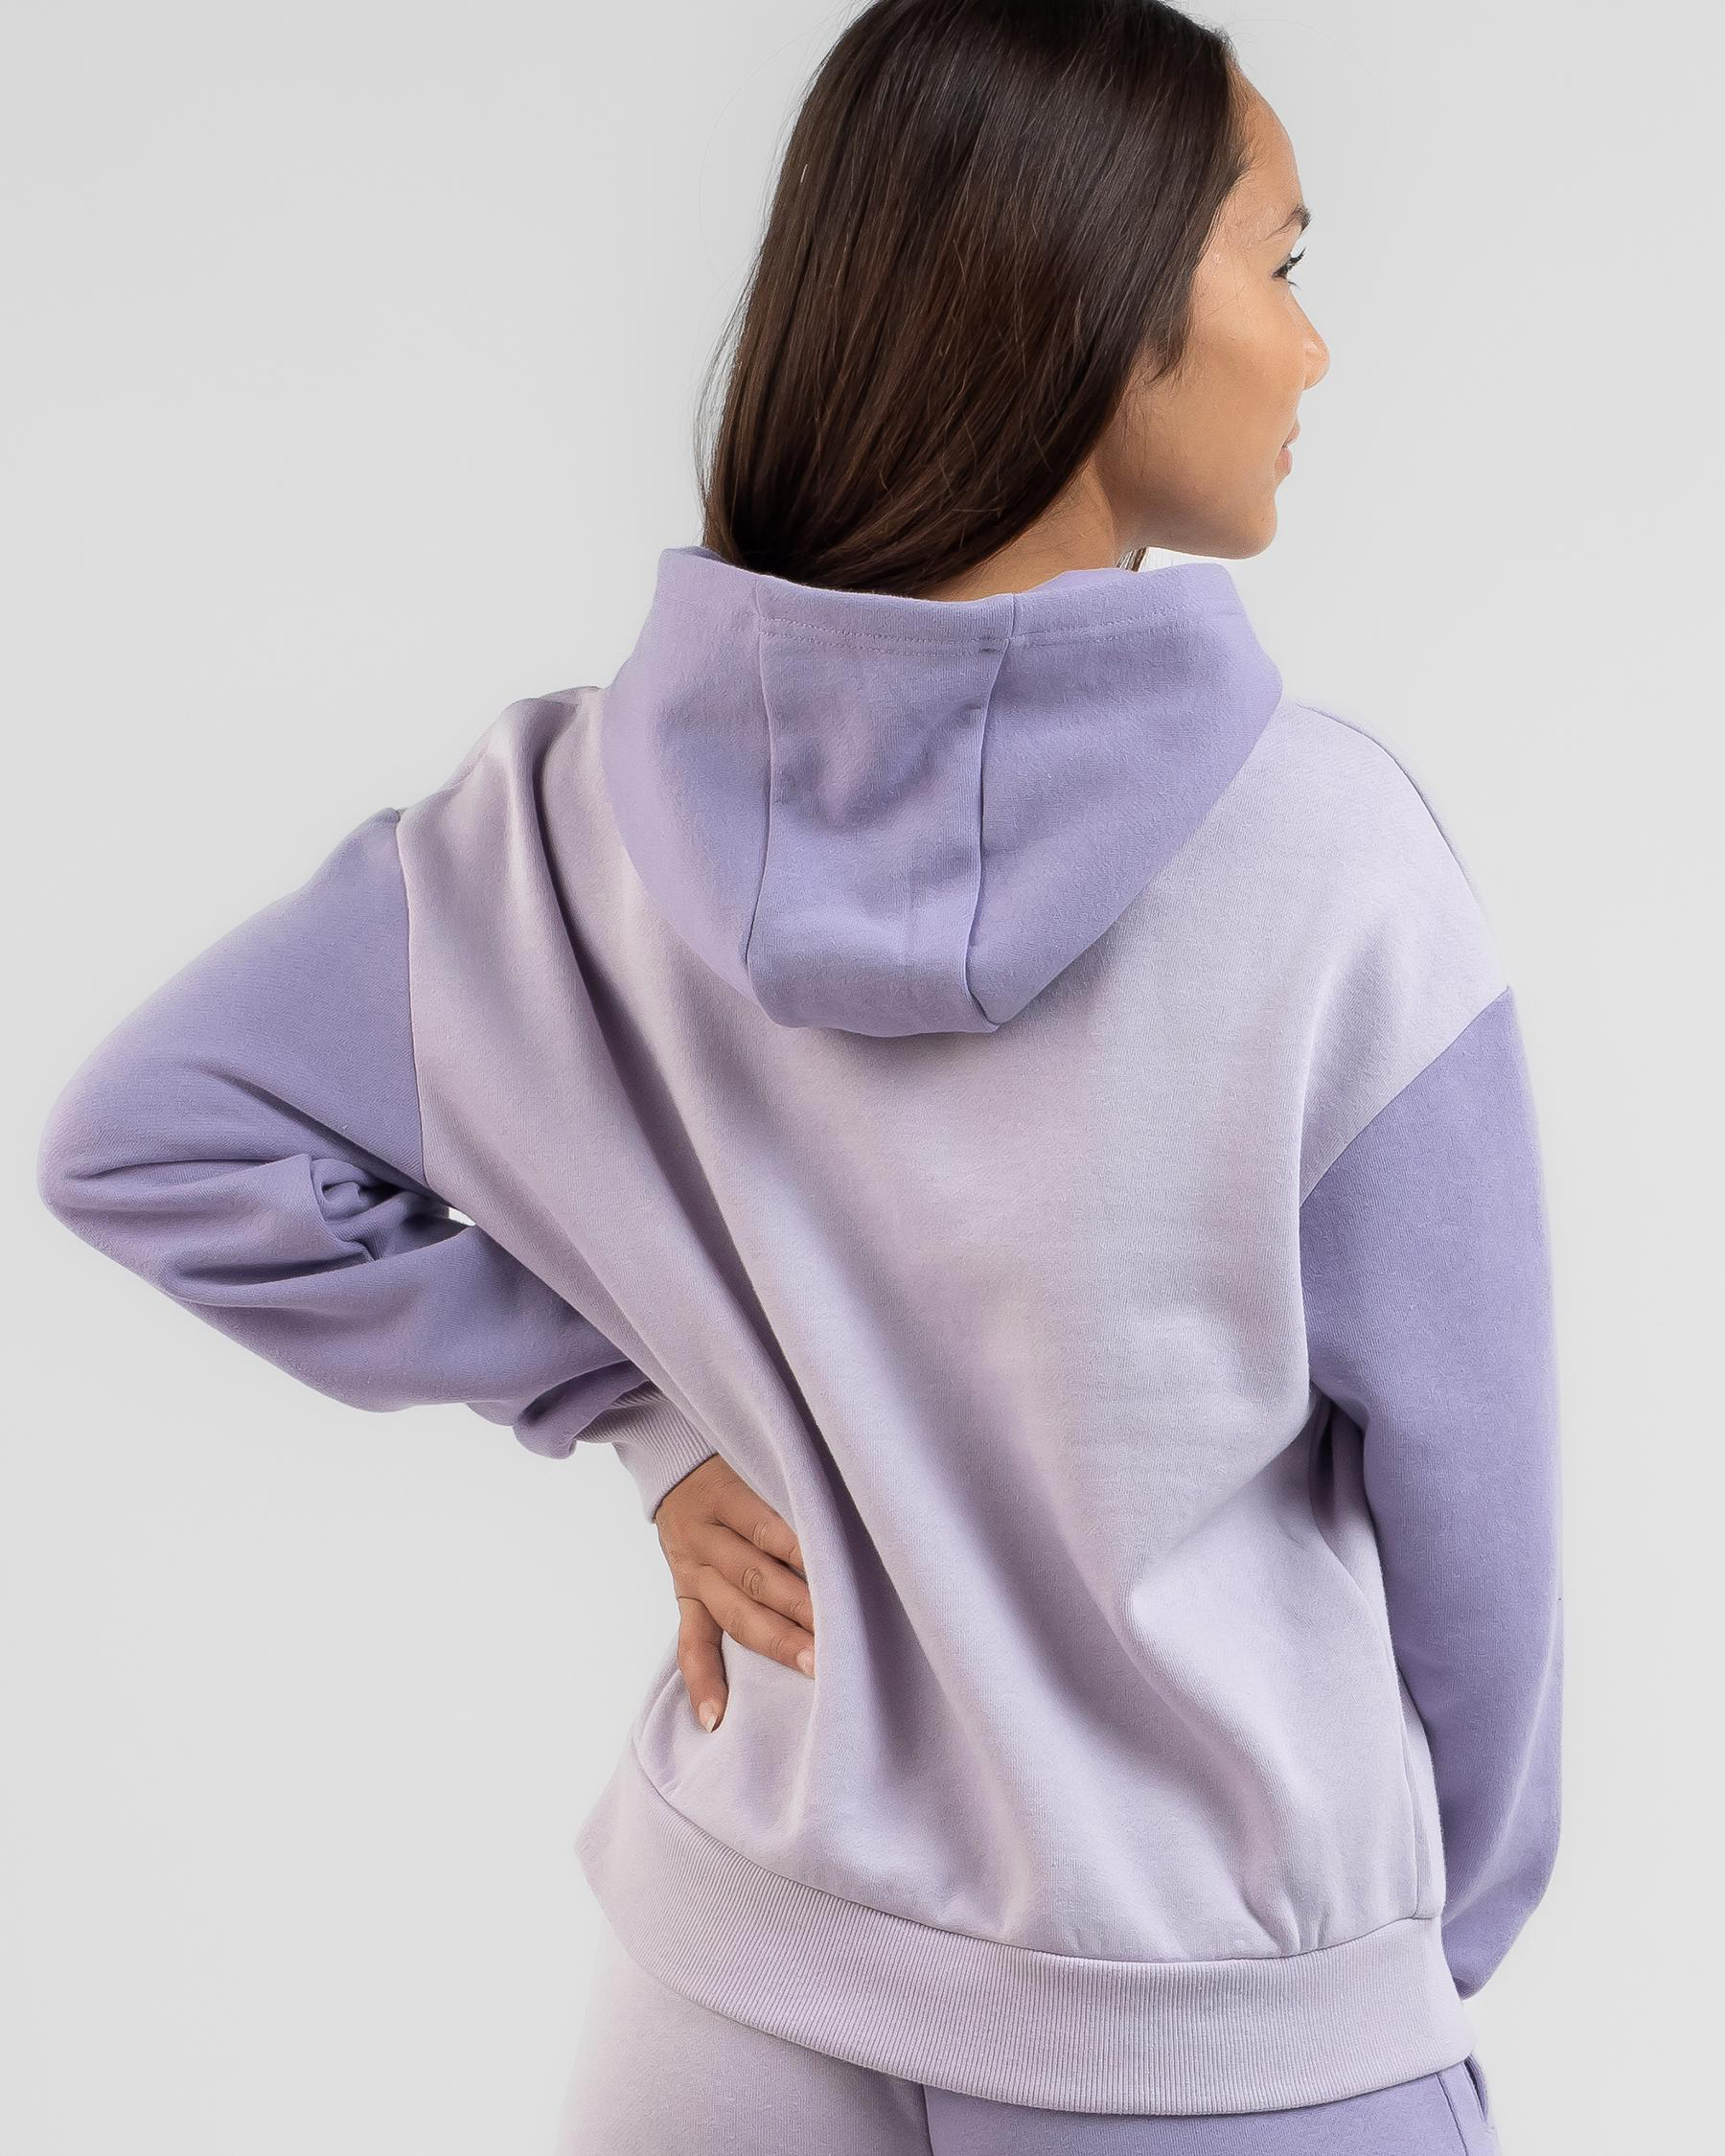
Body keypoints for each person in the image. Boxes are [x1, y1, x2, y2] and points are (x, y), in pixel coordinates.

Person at [34, 2, 1560, 2150]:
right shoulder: (1331, 863)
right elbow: (1477, 1532)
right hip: (1210, 2045)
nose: (1314, 351)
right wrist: (1402, 1965)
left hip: (727, 1996)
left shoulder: (551, 829)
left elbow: (151, 1138)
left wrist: (632, 1408)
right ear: (1099, 298)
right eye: (1284, 265)